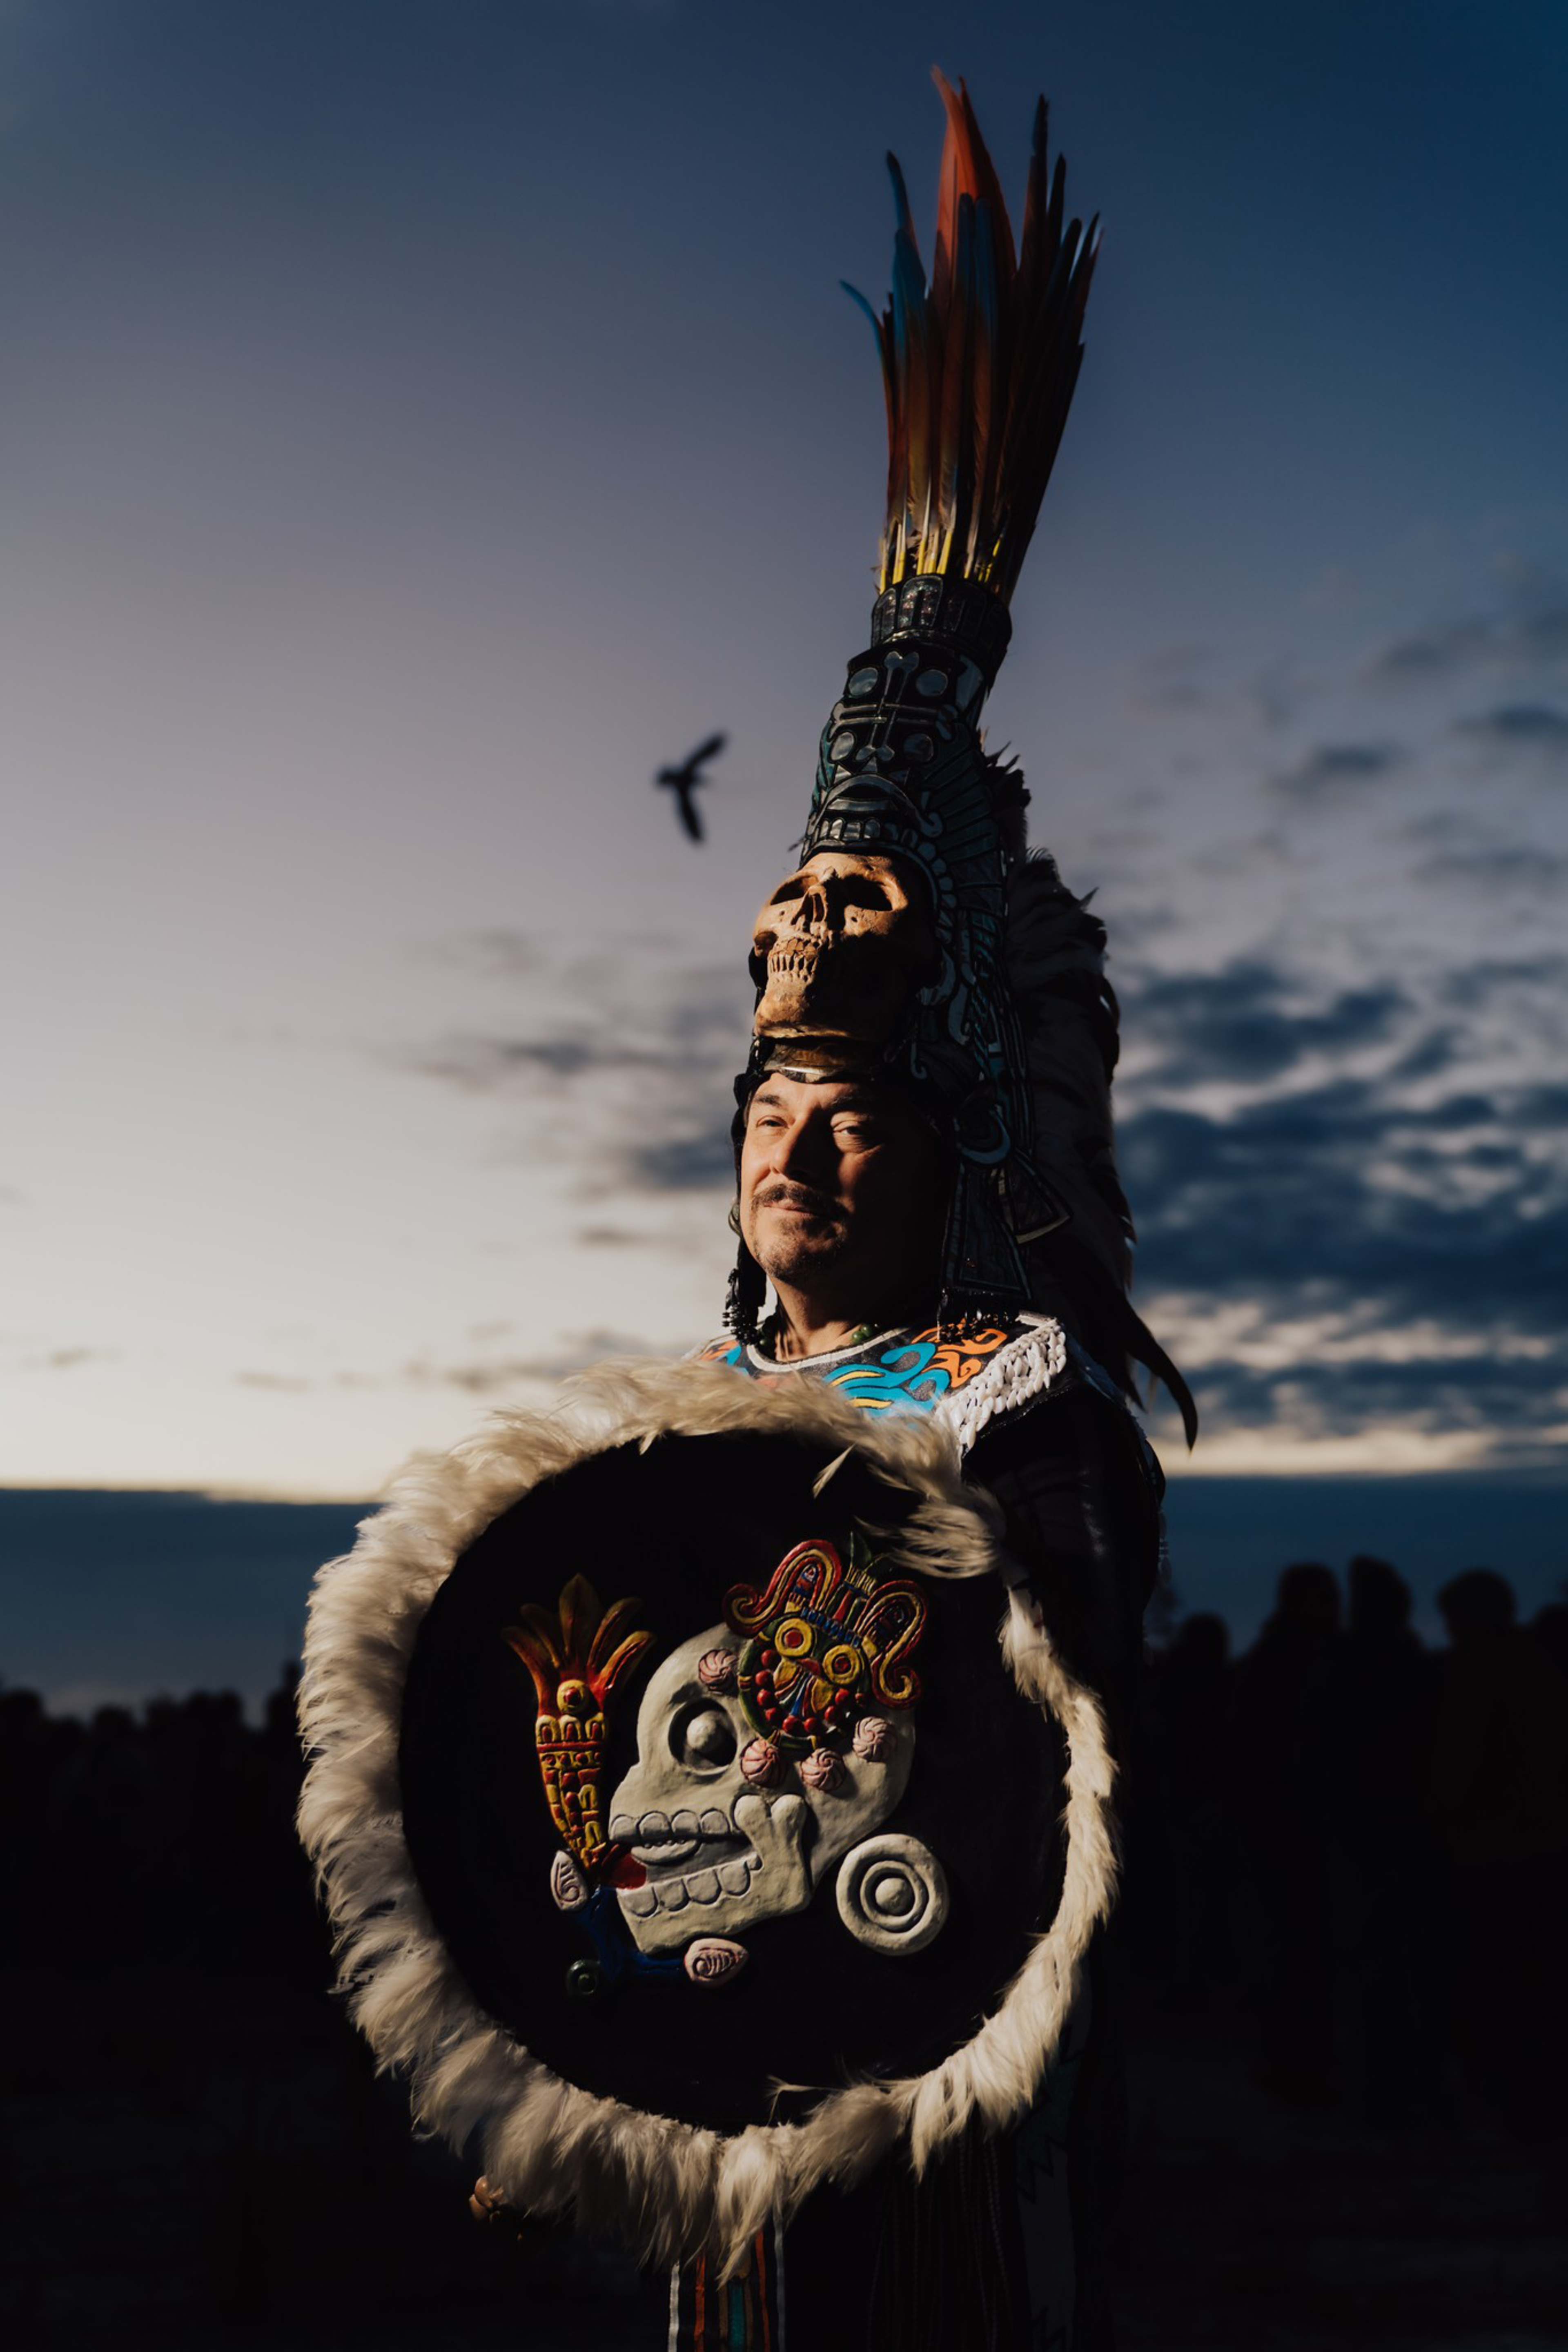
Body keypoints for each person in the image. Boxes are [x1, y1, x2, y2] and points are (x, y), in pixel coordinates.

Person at [454, 72, 1192, 2350]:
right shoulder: (701, 1408)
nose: (799, 1147)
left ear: (958, 1140)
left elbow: (1034, 1789)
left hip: (927, 2125)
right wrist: (569, 2032)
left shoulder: (1024, 1413)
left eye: (854, 1111)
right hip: (724, 2140)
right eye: (772, 1104)